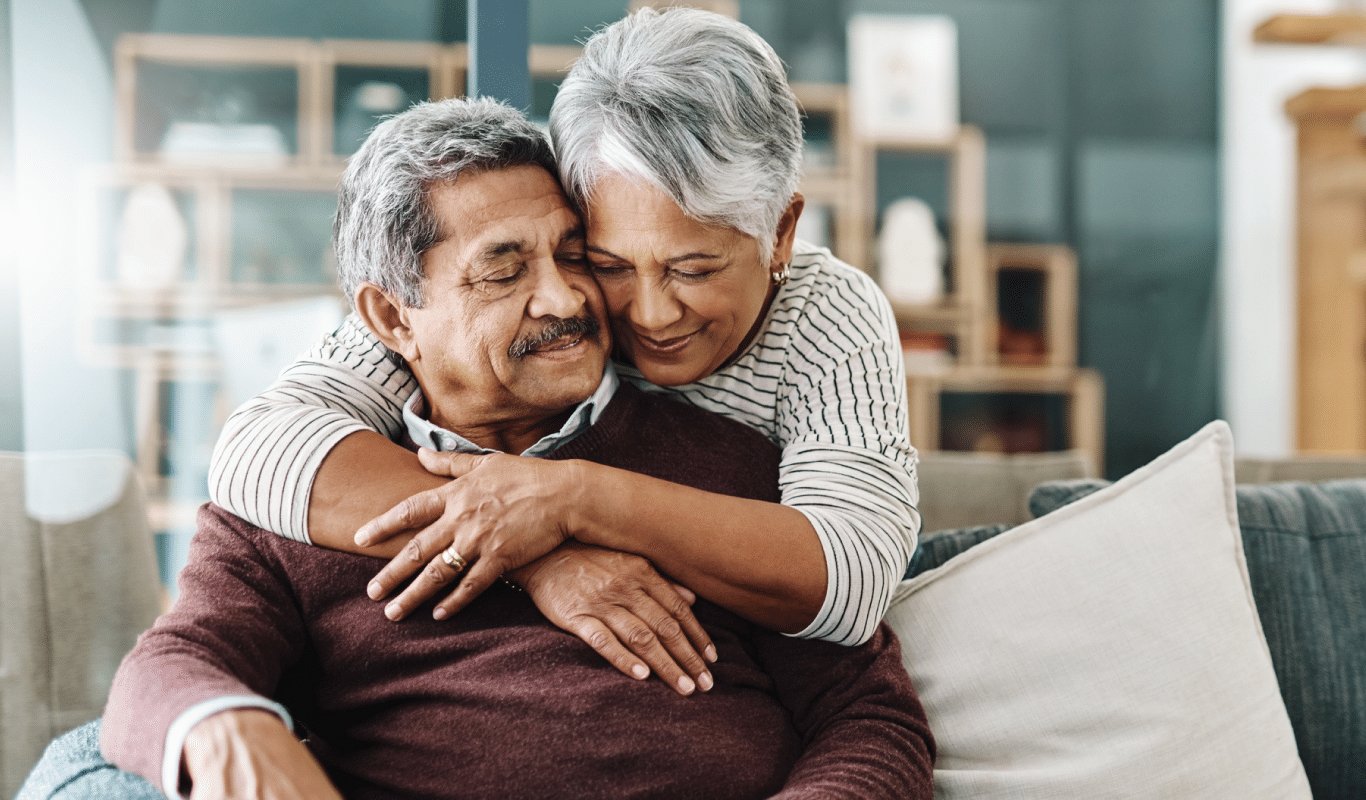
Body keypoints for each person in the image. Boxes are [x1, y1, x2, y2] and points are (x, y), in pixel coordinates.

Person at [96, 96, 934, 800]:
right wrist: (228, 730)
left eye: (575, 255)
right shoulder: (300, 500)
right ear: (392, 319)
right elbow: (163, 669)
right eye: (504, 271)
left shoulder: (727, 474)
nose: (565, 296)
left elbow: (871, 719)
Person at [206, 7, 918, 690]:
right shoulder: (539, 301)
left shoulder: (826, 315)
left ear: (782, 234)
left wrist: (572, 498)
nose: (649, 313)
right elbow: (257, 448)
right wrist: (542, 551)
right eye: (606, 262)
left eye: (693, 269)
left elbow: (853, 582)